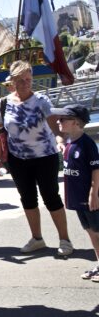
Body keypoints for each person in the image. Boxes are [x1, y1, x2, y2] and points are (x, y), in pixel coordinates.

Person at [0, 60, 72, 257]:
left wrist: (61, 140)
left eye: (29, 79)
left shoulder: (41, 100)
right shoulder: (3, 104)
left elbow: (55, 126)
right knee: (27, 199)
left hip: (45, 156)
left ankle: (65, 239)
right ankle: (37, 238)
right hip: (18, 159)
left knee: (51, 197)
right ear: (12, 80)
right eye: (21, 80)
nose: (26, 83)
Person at [51, 104, 99, 280]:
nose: (58, 121)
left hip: (89, 198)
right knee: (90, 231)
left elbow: (96, 170)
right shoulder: (71, 142)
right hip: (77, 197)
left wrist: (94, 193)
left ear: (76, 122)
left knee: (97, 231)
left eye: (63, 119)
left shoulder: (87, 144)